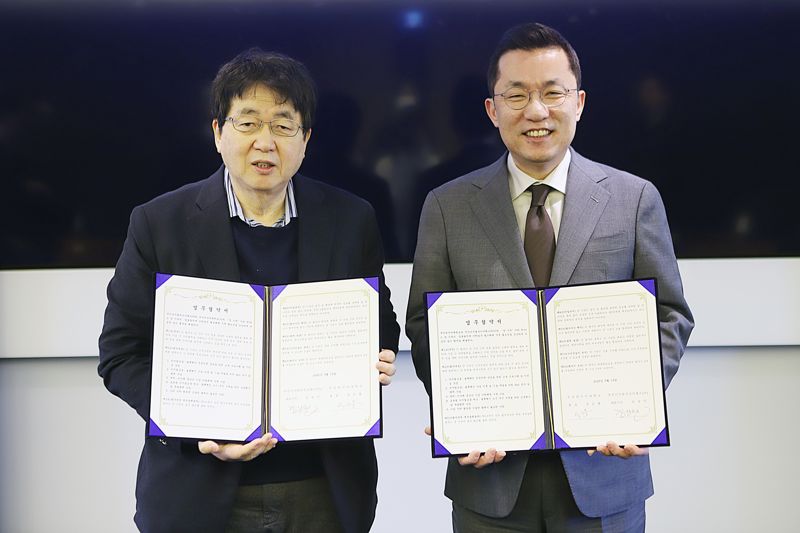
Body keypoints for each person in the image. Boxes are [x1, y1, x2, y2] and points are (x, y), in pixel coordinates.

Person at [406, 23, 693, 532]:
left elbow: (670, 314)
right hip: (490, 480)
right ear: (492, 110)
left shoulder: (633, 199)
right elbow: (425, 322)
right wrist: (460, 410)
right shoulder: (447, 206)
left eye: (552, 93)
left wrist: (638, 404)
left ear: (578, 103)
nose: (536, 111)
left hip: (604, 473)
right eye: (516, 95)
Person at [98, 48, 400, 533]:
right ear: (218, 132)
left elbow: (379, 322)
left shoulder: (350, 219)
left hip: (324, 489)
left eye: (283, 125)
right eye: (248, 123)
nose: (265, 142)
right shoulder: (159, 223)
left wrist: (377, 356)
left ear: (305, 139)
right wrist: (195, 427)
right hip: (197, 490)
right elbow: (120, 353)